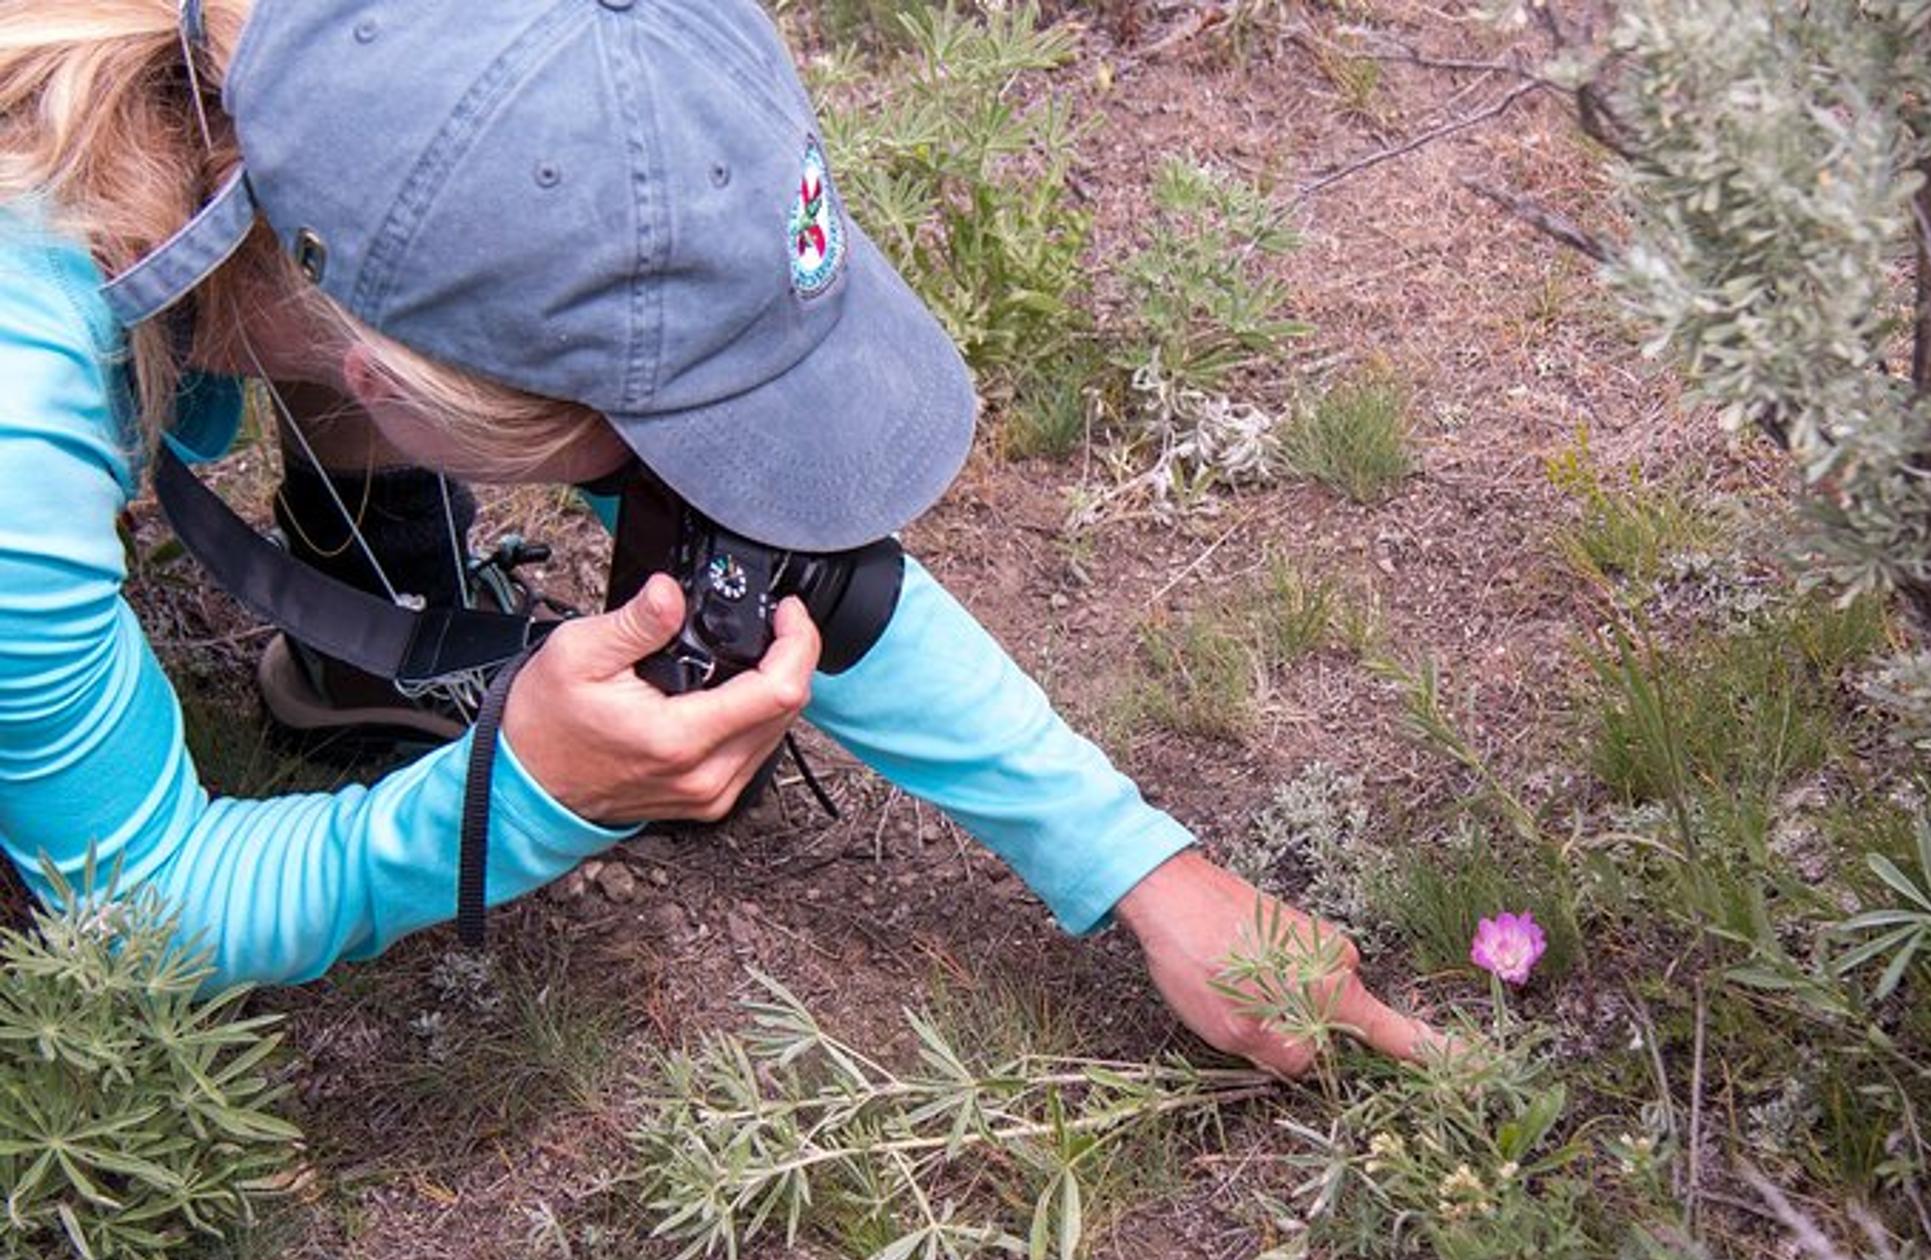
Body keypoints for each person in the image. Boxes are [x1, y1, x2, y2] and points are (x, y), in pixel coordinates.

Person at [0, 0, 1438, 1076]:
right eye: (654, 459)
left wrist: (1147, 869)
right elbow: (142, 908)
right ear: (374, 376)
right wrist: (520, 796)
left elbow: (803, 567)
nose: (697, 513)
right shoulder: (19, 409)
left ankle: (363, 590)